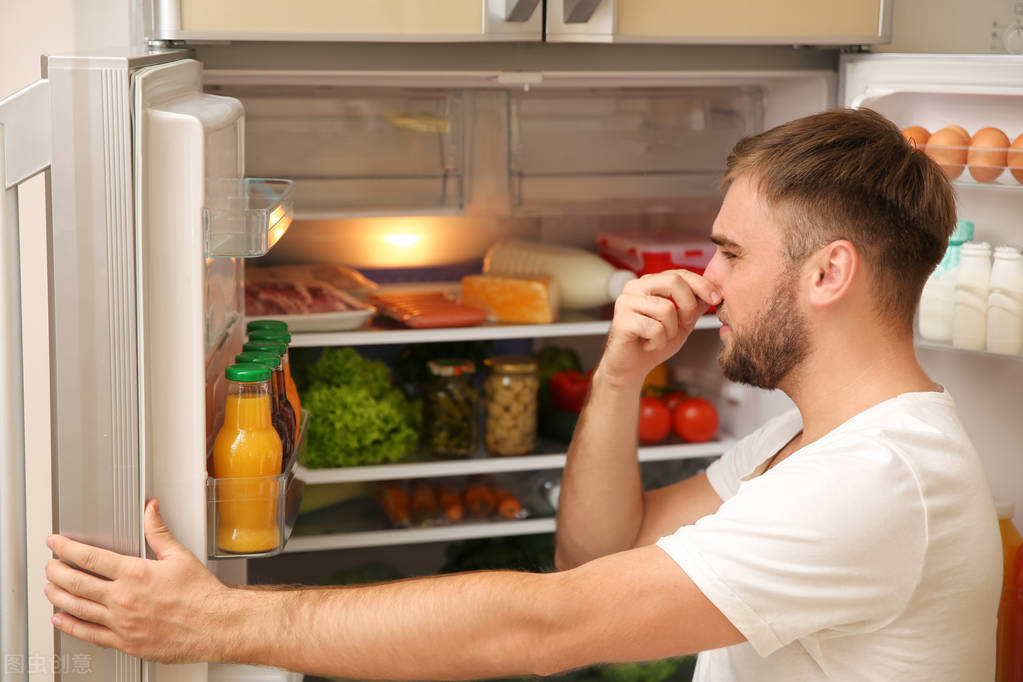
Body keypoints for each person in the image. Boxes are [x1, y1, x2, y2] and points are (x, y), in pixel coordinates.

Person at [43, 108, 1000, 681]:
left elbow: (548, 626)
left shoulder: (877, 479)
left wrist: (221, 623)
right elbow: (596, 551)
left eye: (732, 252)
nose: (707, 282)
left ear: (828, 274)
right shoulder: (810, 443)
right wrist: (621, 372)